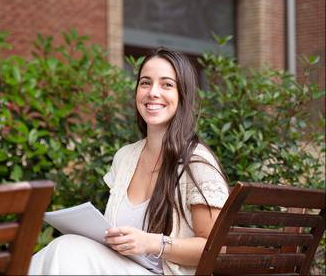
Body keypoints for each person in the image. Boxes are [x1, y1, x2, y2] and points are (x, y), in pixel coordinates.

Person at [29, 48, 229, 275]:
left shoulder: (197, 162)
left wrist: (153, 243)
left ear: (183, 94)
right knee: (67, 246)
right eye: (145, 83)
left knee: (67, 250)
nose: (153, 92)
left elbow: (216, 247)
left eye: (166, 84)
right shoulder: (125, 158)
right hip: (120, 267)